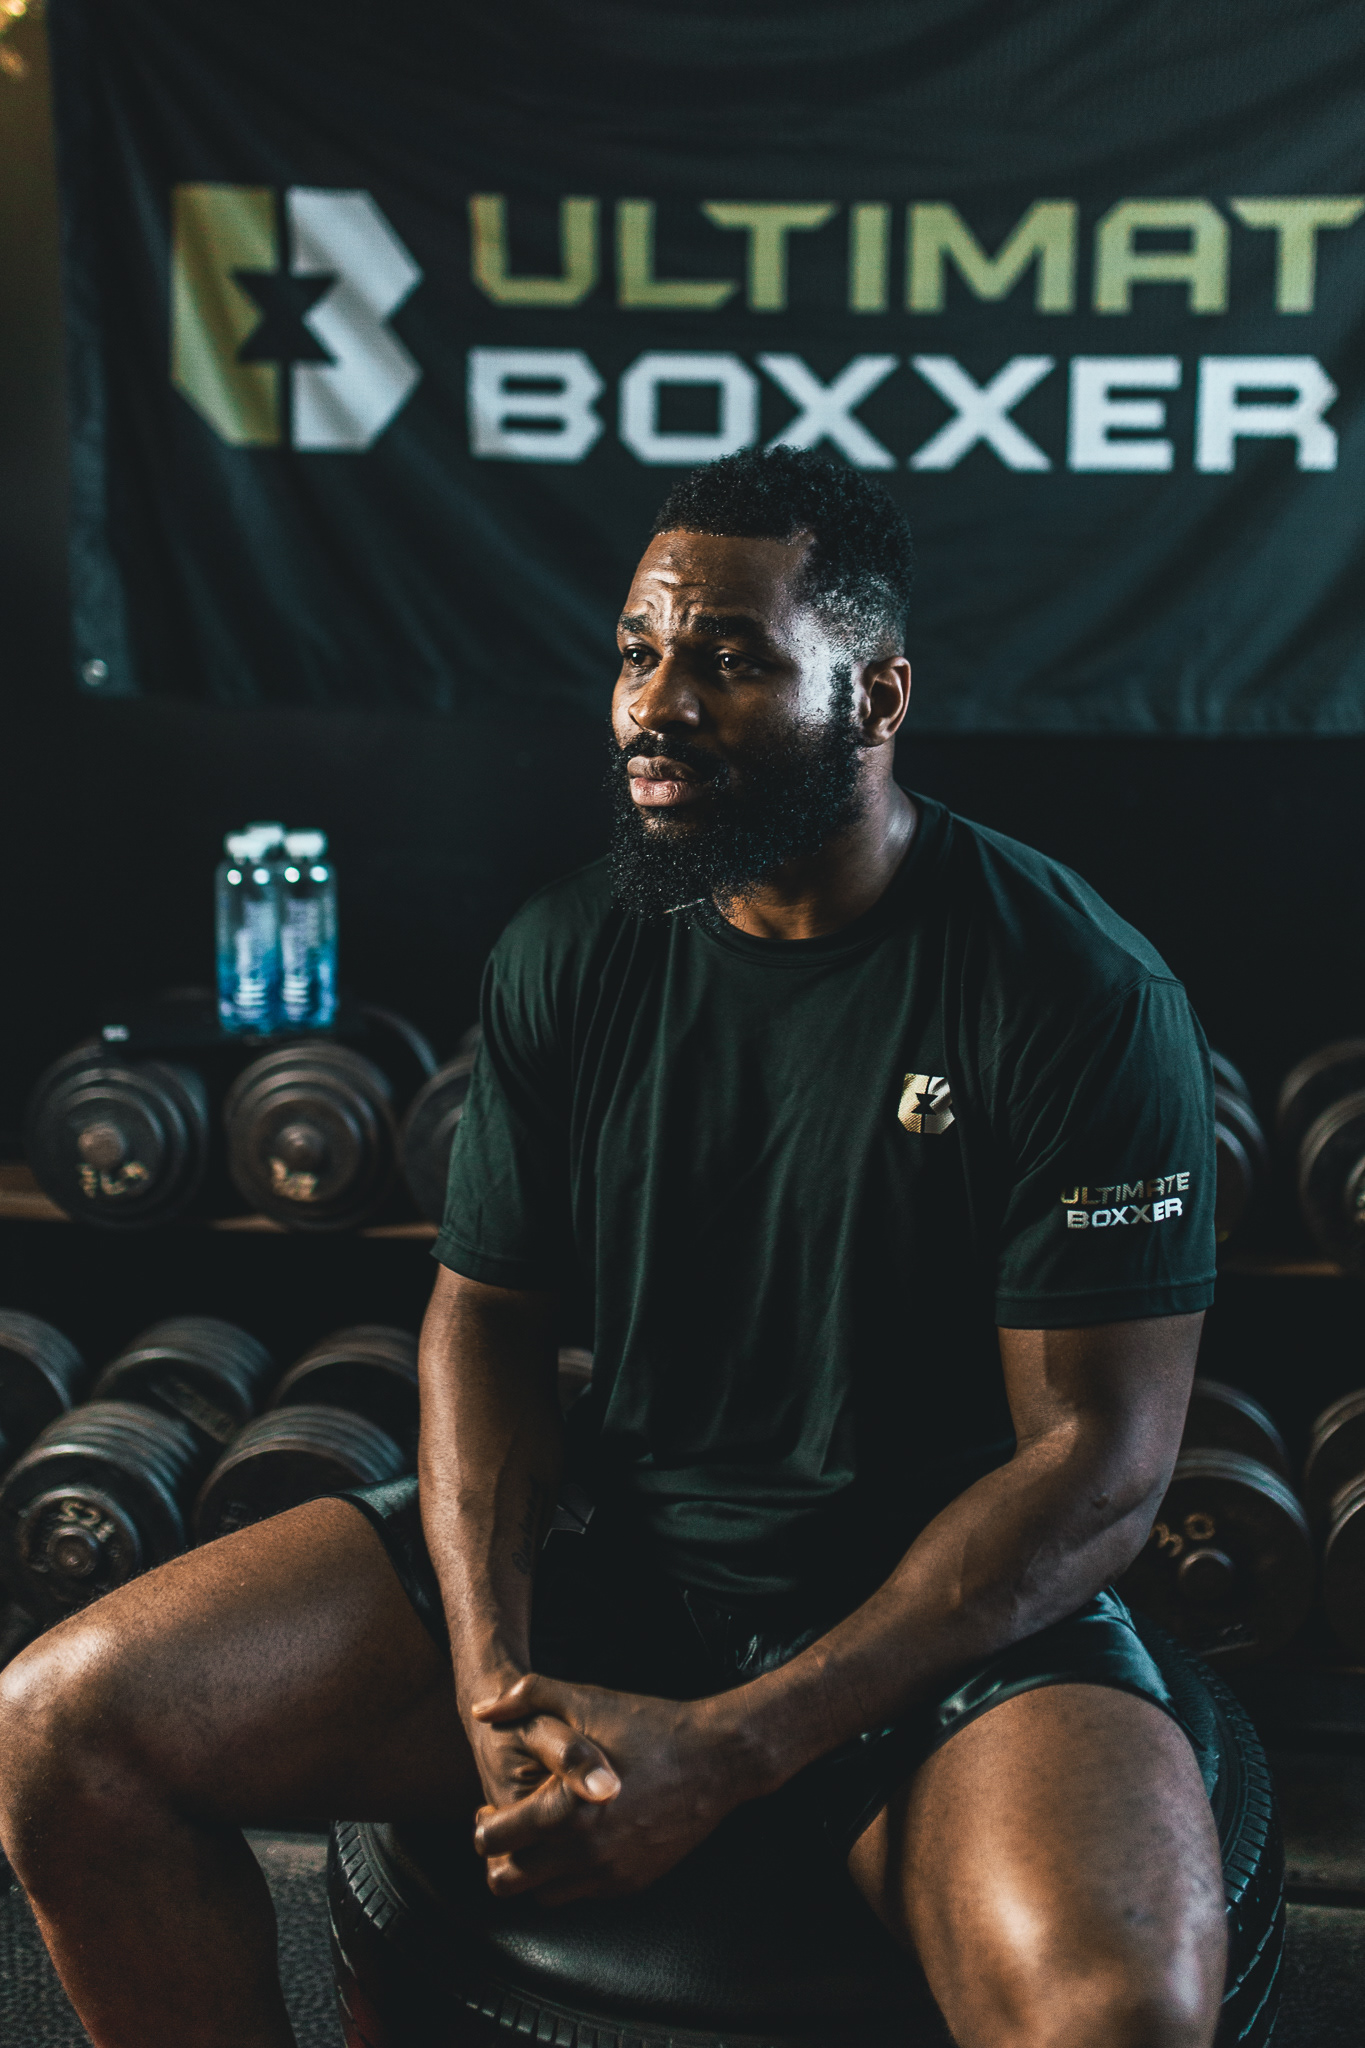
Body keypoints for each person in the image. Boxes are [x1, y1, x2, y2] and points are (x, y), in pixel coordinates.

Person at [0, 448, 1222, 2048]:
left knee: (1117, 2015)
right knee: (59, 1730)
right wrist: (490, 1680)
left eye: (729, 661)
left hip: (938, 1627)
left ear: (873, 697)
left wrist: (731, 1747)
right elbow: (484, 1323)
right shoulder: (569, 951)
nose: (657, 705)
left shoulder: (1072, 991)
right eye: (638, 653)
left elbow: (1098, 1469)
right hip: (626, 1554)